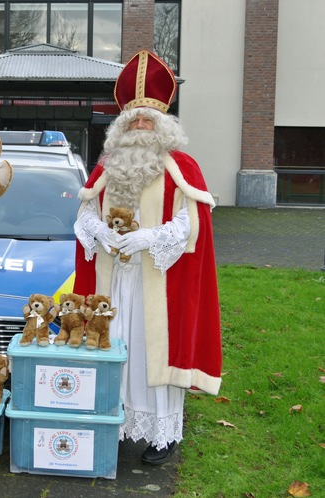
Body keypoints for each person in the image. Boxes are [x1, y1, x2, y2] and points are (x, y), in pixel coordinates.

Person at [73, 51, 222, 465]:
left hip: (157, 278)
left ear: (163, 125)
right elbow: (84, 213)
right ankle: (115, 424)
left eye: (147, 120)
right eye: (133, 119)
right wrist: (99, 230)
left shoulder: (182, 166)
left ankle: (162, 436)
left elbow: (190, 224)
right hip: (113, 281)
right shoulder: (107, 165)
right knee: (115, 349)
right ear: (121, 126)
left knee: (151, 354)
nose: (140, 125)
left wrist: (146, 239)